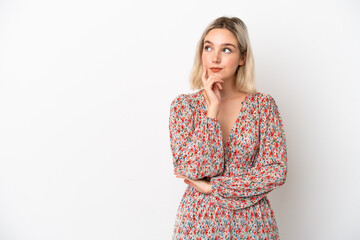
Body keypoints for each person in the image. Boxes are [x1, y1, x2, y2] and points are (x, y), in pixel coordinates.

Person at [168, 16, 287, 239]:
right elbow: (194, 169)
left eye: (226, 50)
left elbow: (274, 172)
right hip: (199, 222)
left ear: (242, 57)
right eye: (208, 47)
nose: (215, 57)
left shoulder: (263, 106)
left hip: (252, 223)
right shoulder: (183, 107)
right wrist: (212, 109)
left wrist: (214, 188)